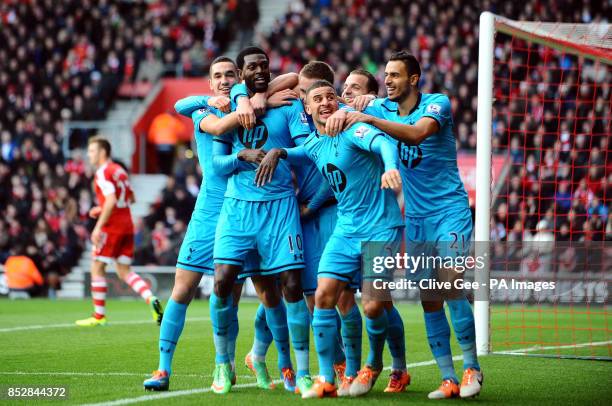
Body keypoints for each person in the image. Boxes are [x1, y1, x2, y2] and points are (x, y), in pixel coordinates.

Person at [144, 56, 300, 392]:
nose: (225, 80)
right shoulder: (206, 112)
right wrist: (249, 105)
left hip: (250, 209)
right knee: (183, 288)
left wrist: (260, 99)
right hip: (210, 210)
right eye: (218, 76)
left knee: (266, 292)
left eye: (231, 74)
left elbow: (292, 77)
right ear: (211, 82)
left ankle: (275, 363)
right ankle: (163, 368)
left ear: (240, 78)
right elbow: (184, 106)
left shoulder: (253, 102)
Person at [343, 51, 483, 399]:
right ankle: (449, 378)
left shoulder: (438, 104)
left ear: (414, 79)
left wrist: (370, 114)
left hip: (450, 210)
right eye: (386, 75)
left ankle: (472, 369)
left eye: (395, 75)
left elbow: (417, 134)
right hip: (416, 218)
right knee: (430, 297)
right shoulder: (381, 107)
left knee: (450, 283)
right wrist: (358, 100)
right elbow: (345, 111)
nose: (388, 80)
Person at [256, 80, 403, 398]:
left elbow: (384, 145)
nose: (325, 102)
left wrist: (390, 168)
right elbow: (296, 152)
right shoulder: (313, 144)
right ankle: (327, 378)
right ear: (307, 108)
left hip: (381, 227)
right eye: (317, 98)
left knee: (374, 306)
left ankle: (374, 363)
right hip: (346, 230)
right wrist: (277, 152)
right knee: (323, 296)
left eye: (330, 97)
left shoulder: (353, 129)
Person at [209, 46, 313, 395]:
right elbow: (216, 165)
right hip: (237, 208)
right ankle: (223, 364)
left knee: (291, 287)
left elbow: (308, 150)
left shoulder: (288, 105)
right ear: (241, 74)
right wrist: (241, 154)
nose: (259, 70)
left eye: (263, 66)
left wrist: (278, 151)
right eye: (252, 67)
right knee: (222, 282)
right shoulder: (228, 110)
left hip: (280, 208)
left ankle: (300, 371)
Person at [340, 67, 411, 393]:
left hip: (379, 225)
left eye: (356, 88)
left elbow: (390, 134)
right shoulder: (331, 123)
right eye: (345, 88)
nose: (347, 93)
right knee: (342, 298)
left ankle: (383, 364)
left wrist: (375, 101)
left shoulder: (371, 118)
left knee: (375, 303)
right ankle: (347, 369)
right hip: (340, 222)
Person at [76, 137, 164, 327]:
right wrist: (102, 208)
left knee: (97, 267)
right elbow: (130, 198)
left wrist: (98, 226)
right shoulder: (120, 170)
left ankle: (99, 316)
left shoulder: (102, 172)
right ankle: (151, 298)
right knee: (124, 271)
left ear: (102, 152)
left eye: (92, 151)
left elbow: (111, 200)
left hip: (112, 227)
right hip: (127, 224)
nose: (89, 154)